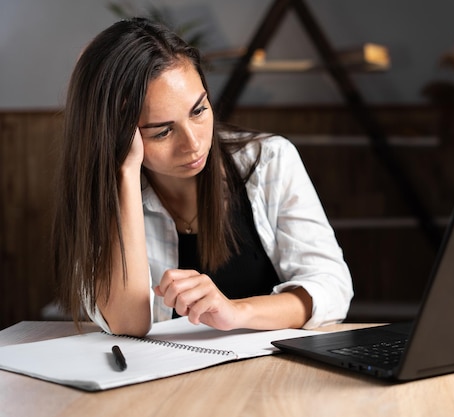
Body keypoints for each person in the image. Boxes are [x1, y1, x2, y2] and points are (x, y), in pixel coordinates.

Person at [52, 18, 353, 337]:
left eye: (198, 111)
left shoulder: (269, 159)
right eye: (162, 131)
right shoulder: (100, 191)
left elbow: (331, 289)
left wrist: (236, 311)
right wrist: (124, 172)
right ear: (116, 135)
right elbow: (128, 324)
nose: (193, 144)